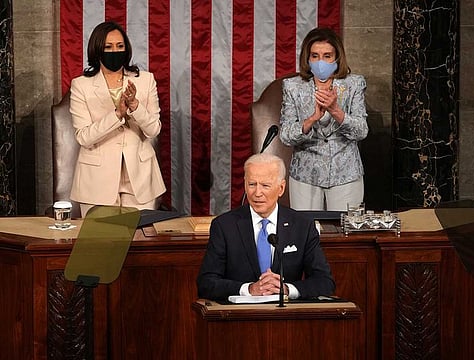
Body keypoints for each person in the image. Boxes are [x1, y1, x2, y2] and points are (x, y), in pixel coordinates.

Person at [197, 153, 335, 301]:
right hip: (239, 316)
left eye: (265, 185)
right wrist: (249, 289)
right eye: (252, 184)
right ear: (244, 184)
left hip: (287, 316)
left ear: (281, 188)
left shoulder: (302, 226)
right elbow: (206, 283)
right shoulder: (224, 226)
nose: (257, 193)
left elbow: (325, 282)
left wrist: (286, 289)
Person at [69, 21, 166, 217]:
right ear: (97, 50)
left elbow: (153, 130)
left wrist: (135, 107)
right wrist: (117, 115)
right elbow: (84, 137)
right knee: (104, 244)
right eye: (108, 47)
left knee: (139, 243)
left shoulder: (145, 80)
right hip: (97, 182)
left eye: (120, 46)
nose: (115, 51)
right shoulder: (81, 85)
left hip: (140, 180)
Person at [279, 27, 368, 211]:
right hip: (305, 175)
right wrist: (311, 119)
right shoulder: (293, 87)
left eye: (327, 56)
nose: (321, 62)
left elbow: (361, 131)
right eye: (315, 56)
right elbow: (286, 135)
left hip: (346, 172)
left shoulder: (354, 84)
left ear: (337, 58)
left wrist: (336, 111)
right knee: (307, 234)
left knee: (345, 234)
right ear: (307, 58)